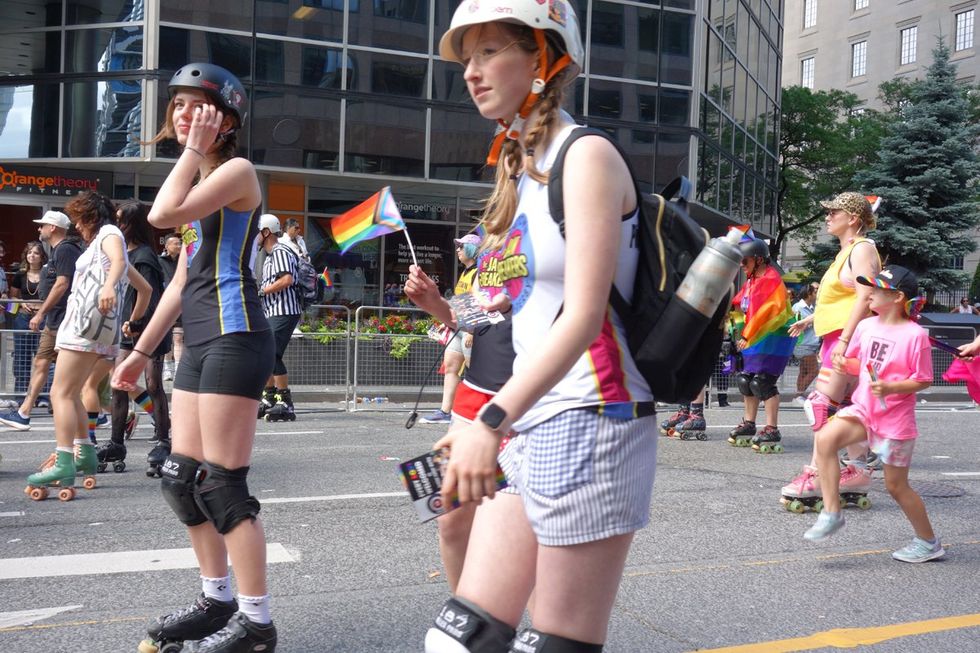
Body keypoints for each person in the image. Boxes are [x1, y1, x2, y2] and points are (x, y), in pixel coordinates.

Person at [424, 4, 657, 651]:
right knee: (457, 639)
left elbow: (582, 317)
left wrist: (490, 420)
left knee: (555, 642)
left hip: (594, 417)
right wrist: (441, 316)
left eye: (491, 51)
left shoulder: (585, 158)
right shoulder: (519, 172)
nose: (472, 72)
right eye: (467, 58)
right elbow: (506, 313)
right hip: (533, 421)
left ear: (544, 59)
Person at [111, 62, 277, 652]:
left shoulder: (236, 170)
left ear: (225, 120)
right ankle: (216, 600)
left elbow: (159, 217)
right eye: (177, 105)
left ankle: (256, 624)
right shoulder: (203, 180)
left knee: (223, 486)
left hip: (239, 336)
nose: (183, 116)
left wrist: (193, 151)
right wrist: (139, 351)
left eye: (197, 106)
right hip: (202, 338)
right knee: (182, 478)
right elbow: (181, 282)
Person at [803, 266, 944, 562]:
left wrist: (891, 387)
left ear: (897, 297)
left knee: (896, 487)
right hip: (864, 410)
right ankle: (831, 513)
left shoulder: (915, 335)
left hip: (894, 422)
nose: (870, 294)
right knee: (826, 439)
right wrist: (844, 363)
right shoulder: (866, 327)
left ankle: (928, 542)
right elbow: (857, 362)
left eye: (877, 289)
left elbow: (924, 379)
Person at [406, 233, 517, 592]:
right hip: (473, 397)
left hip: (530, 401)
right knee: (450, 519)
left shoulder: (555, 222)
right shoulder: (492, 236)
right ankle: (463, 616)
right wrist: (434, 302)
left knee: (513, 534)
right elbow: (472, 318)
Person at [24, 191, 151, 498]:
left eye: (79, 220)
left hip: (83, 326)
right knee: (77, 394)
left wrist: (108, 287)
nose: (76, 226)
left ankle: (65, 460)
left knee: (61, 393)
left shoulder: (108, 235)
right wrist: (131, 322)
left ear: (90, 217)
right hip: (103, 332)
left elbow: (121, 263)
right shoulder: (109, 242)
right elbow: (143, 290)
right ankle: (85, 454)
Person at [784, 192, 881, 504]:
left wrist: (843, 341)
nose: (827, 217)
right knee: (848, 407)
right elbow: (844, 298)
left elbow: (867, 298)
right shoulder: (848, 251)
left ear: (852, 218)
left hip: (848, 340)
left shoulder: (862, 249)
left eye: (833, 212)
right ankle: (857, 472)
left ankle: (816, 475)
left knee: (822, 406)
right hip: (839, 338)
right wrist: (809, 320)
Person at [98, 200, 173, 475]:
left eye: (123, 221)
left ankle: (164, 441)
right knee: (119, 384)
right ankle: (116, 442)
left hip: (148, 328)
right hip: (128, 329)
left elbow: (150, 294)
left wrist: (138, 323)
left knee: (154, 385)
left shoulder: (144, 256)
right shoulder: (126, 254)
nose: (118, 226)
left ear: (134, 225)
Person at [0, 211, 83, 431]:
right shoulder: (59, 250)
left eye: (42, 225)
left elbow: (62, 284)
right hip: (56, 321)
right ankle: (24, 412)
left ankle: (98, 413)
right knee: (41, 363)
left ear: (53, 228)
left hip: (64, 320)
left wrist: (40, 313)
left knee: (68, 375)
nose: (39, 229)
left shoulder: (65, 249)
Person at [727, 238, 795, 451]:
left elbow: (765, 314)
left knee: (763, 383)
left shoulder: (770, 279)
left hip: (774, 339)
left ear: (758, 259)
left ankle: (772, 428)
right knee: (746, 380)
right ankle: (749, 424)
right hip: (755, 338)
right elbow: (738, 305)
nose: (742, 265)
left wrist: (746, 335)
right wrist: (732, 327)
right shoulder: (752, 280)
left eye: (745, 261)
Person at [419, 234, 480, 424]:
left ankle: (474, 412)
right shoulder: (466, 272)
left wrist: (471, 331)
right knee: (451, 367)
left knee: (474, 371)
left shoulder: (479, 272)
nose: (457, 250)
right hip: (459, 327)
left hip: (471, 329)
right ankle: (446, 411)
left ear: (471, 249)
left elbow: (479, 302)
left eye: (461, 247)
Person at [256, 213, 303, 421]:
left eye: (256, 232)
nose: (253, 237)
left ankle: (285, 401)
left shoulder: (280, 251)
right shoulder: (267, 257)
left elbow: (287, 279)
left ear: (266, 232)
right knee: (265, 354)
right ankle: (269, 398)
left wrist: (262, 291)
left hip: (285, 310)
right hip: (272, 310)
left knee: (272, 353)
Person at [9, 241, 47, 395]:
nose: (32, 255)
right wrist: (21, 303)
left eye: (36, 253)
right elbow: (13, 297)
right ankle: (20, 394)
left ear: (41, 256)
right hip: (23, 318)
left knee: (43, 358)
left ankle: (43, 395)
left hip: (43, 318)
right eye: (29, 252)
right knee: (21, 357)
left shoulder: (47, 274)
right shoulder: (20, 274)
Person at [792, 283, 821, 403]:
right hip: (803, 344)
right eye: (816, 290)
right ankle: (798, 395)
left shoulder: (813, 307)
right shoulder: (798, 307)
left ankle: (799, 396)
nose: (818, 292)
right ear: (809, 293)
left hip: (811, 343)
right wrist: (809, 322)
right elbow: (796, 324)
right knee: (814, 370)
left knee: (804, 370)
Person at [159, 232, 182, 381]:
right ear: (167, 246)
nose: (179, 246)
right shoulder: (159, 261)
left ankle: (179, 369)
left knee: (179, 337)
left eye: (180, 243)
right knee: (167, 336)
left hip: (182, 303)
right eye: (176, 243)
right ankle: (167, 368)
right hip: (165, 303)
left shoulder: (185, 262)